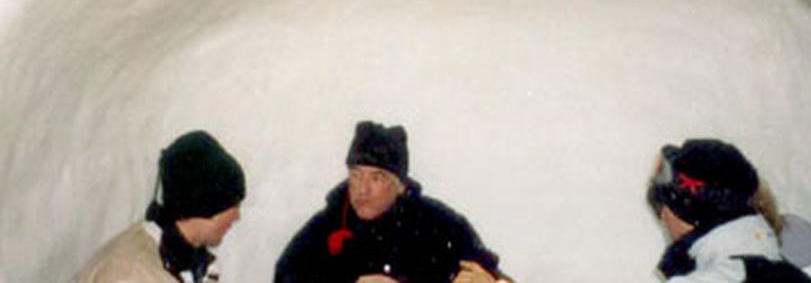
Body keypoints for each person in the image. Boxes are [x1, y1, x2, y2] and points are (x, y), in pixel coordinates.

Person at [275, 120, 508, 283]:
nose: (362, 189)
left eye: (377, 177)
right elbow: (286, 276)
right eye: (356, 175)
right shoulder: (329, 224)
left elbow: (491, 275)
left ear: (400, 186)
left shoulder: (439, 224)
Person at [73, 130, 246, 283]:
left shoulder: (192, 264)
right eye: (233, 204)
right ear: (206, 207)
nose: (237, 216)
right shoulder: (129, 275)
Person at [646, 138, 811, 282]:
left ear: (681, 212)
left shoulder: (724, 276)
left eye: (662, 208)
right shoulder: (784, 273)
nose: (664, 220)